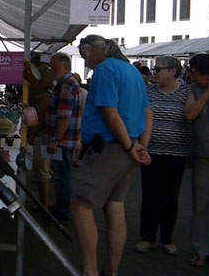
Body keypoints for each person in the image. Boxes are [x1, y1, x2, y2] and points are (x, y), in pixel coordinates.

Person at [71, 35, 152, 276]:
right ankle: (111, 270)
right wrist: (140, 146)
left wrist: (129, 146)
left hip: (110, 148)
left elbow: (110, 113)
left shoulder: (104, 70)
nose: (84, 59)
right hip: (129, 147)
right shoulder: (132, 71)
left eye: (83, 53)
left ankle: (90, 271)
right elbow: (148, 113)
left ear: (91, 50)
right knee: (115, 207)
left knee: (80, 205)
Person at [134, 56, 191, 256]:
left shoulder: (187, 92)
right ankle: (147, 236)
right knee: (150, 196)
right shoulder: (148, 92)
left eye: (158, 69)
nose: (154, 72)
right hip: (151, 152)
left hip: (176, 154)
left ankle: (167, 238)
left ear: (173, 71)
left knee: (171, 198)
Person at [183, 53, 209, 272]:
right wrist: (208, 92)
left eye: (193, 72)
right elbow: (189, 115)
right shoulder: (195, 89)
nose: (191, 75)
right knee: (201, 204)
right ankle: (202, 250)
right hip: (200, 152)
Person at [44, 52, 81, 223]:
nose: (52, 69)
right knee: (60, 175)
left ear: (65, 66)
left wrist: (56, 140)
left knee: (62, 175)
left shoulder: (67, 85)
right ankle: (60, 207)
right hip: (65, 140)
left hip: (63, 141)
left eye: (54, 66)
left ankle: (63, 212)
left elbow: (64, 117)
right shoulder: (66, 83)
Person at [24, 54, 54, 209]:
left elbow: (41, 117)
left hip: (43, 135)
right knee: (48, 173)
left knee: (43, 173)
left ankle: (45, 206)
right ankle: (50, 205)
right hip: (48, 135)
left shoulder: (46, 94)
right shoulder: (48, 91)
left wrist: (32, 135)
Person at [71, 72, 88, 167]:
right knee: (79, 139)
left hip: (74, 117)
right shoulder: (84, 92)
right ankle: (76, 159)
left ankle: (72, 158)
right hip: (83, 117)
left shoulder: (72, 91)